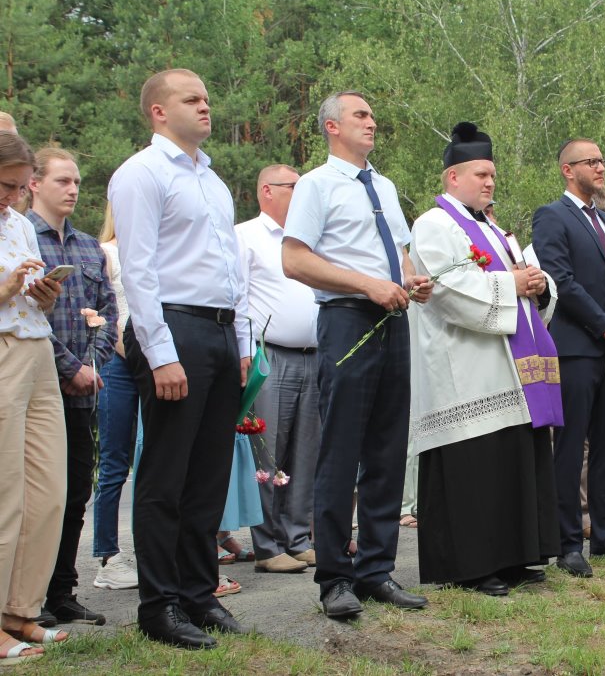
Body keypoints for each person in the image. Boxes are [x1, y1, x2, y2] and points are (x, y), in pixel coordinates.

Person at [109, 68, 252, 649]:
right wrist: (161, 352)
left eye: (208, 97)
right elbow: (139, 270)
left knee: (209, 475)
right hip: (174, 329)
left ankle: (199, 593)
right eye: (191, 99)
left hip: (218, 332)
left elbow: (232, 272)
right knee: (165, 474)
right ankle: (159, 605)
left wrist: (241, 345)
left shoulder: (212, 181)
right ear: (158, 112)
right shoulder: (140, 174)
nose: (206, 107)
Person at [282, 90, 433, 618]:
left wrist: (413, 280)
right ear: (331, 127)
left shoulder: (385, 186)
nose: (373, 122)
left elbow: (401, 250)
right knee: (342, 451)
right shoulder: (316, 186)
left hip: (394, 319)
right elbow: (295, 260)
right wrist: (368, 285)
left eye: (373, 113)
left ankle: (375, 570)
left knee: (389, 451)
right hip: (348, 320)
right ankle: (334, 579)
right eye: (361, 115)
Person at [408, 122, 561, 595]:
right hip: (463, 366)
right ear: (452, 177)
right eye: (480, 174)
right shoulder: (434, 225)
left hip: (504, 364)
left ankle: (514, 556)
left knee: (508, 461)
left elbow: (523, 283)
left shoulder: (494, 228)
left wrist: (538, 284)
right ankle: (472, 565)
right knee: (473, 465)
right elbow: (447, 291)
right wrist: (510, 286)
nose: (489, 182)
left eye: (492, 175)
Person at [532, 138, 605, 578]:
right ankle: (567, 544)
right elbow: (559, 279)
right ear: (568, 170)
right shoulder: (551, 216)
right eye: (592, 161)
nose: (601, 168)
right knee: (570, 447)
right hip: (577, 348)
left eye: (602, 160)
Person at [27, 149, 117, 626]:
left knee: (76, 490)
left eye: (78, 180)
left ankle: (62, 592)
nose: (74, 188)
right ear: (34, 183)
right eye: (63, 180)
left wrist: (91, 365)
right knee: (37, 495)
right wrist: (69, 366)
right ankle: (29, 597)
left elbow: (109, 313)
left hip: (84, 387)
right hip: (35, 383)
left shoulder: (87, 247)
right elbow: (25, 318)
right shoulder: (21, 240)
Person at [0, 132, 66, 665]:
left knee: (48, 489)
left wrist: (43, 293)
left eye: (20, 188)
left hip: (36, 346)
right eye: (5, 186)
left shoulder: (21, 223)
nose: (12, 196)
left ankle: (20, 609)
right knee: (4, 494)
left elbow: (28, 297)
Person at [235, 164, 318, 575]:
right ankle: (267, 545)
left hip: (313, 354)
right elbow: (237, 296)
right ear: (267, 190)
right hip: (269, 356)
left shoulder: (308, 237)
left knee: (306, 450)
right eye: (293, 187)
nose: (301, 195)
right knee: (268, 450)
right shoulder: (247, 236)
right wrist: (243, 352)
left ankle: (298, 538)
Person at [91, 204, 141, 591]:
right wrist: (129, 350)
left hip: (152, 360)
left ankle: (151, 549)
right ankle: (107, 557)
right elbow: (100, 311)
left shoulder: (152, 250)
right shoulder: (105, 252)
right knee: (113, 461)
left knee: (155, 458)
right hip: (117, 362)